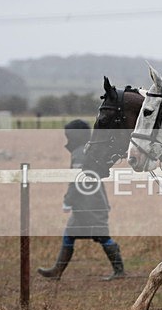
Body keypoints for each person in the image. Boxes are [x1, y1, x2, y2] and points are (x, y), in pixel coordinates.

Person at [37, 119, 125, 281]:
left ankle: (119, 271)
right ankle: (57, 271)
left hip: (89, 205)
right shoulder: (87, 150)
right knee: (70, 234)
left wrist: (67, 200)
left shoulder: (80, 153)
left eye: (68, 135)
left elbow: (77, 180)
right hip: (89, 204)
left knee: (101, 236)